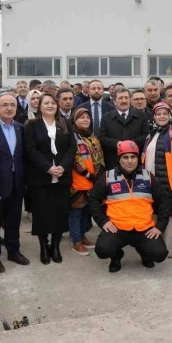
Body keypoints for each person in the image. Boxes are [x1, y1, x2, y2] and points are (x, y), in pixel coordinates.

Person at [88, 141, 169, 272]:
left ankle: (145, 254)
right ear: (119, 160)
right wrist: (103, 222)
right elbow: (93, 199)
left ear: (138, 158)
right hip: (117, 228)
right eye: (125, 157)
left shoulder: (147, 177)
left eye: (133, 157)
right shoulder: (108, 177)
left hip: (144, 228)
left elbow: (163, 199)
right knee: (102, 250)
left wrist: (160, 226)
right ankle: (116, 256)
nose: (130, 161)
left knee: (159, 254)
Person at [24, 93, 76, 264]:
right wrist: (48, 168)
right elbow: (31, 150)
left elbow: (71, 148)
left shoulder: (65, 124)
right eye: (46, 103)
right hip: (41, 177)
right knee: (42, 213)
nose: (50, 105)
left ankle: (55, 245)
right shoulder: (32, 125)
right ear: (39, 106)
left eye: (53, 103)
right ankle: (44, 246)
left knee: (59, 213)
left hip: (62, 176)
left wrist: (63, 166)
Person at [0, 94, 29, 273]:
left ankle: (13, 250)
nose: (9, 108)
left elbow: (21, 155)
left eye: (12, 105)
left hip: (17, 181)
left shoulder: (19, 127)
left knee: (14, 219)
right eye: (5, 105)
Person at [142, 103, 172, 257]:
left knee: (170, 214)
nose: (161, 116)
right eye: (158, 113)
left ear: (169, 116)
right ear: (153, 116)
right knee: (155, 213)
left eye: (164, 114)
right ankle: (157, 246)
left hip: (169, 181)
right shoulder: (151, 134)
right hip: (152, 181)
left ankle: (170, 249)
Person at [70, 108, 104, 255]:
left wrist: (99, 175)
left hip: (93, 182)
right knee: (76, 212)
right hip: (78, 182)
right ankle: (76, 241)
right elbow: (75, 159)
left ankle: (82, 236)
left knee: (86, 211)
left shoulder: (92, 136)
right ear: (75, 120)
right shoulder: (72, 137)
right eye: (81, 117)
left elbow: (100, 156)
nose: (85, 120)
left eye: (87, 118)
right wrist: (88, 175)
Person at [98, 88, 149, 169]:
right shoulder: (106, 117)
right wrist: (117, 144)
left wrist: (130, 144)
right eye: (120, 98)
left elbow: (146, 136)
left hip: (135, 162)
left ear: (130, 100)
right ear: (114, 101)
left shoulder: (141, 116)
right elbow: (102, 138)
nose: (124, 101)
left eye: (126, 98)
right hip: (113, 162)